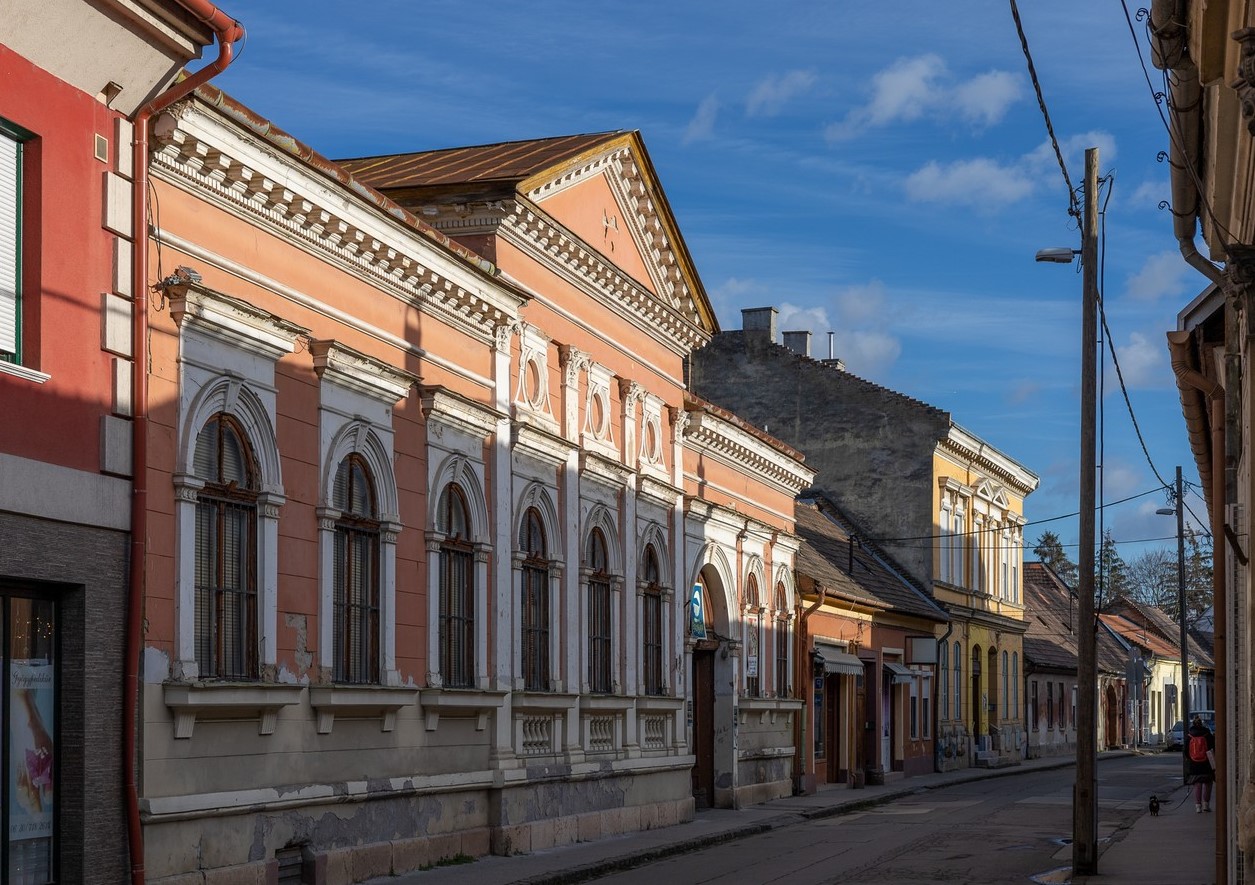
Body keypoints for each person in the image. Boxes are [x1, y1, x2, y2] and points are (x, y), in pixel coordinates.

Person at [1185, 714, 1216, 813]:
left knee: (1197, 784)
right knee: (1207, 783)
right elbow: (1212, 747)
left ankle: (1198, 806)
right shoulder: (1207, 734)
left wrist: (1190, 758)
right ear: (1202, 724)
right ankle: (1206, 805)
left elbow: (1186, 750)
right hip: (1206, 762)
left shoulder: (1190, 735)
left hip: (1194, 763)